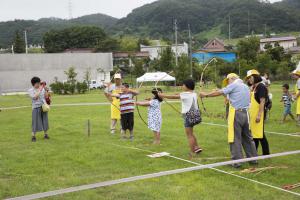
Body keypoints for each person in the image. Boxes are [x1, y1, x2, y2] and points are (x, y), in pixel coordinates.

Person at [200, 73, 257, 168]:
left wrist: (205, 95)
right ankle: (253, 159)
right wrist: (218, 91)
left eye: (228, 81)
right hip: (246, 114)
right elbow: (230, 96)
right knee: (248, 137)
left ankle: (237, 162)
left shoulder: (234, 85)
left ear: (233, 78)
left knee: (235, 138)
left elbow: (221, 93)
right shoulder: (245, 86)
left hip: (236, 114)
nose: (228, 83)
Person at [159, 79, 202, 156]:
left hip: (188, 116)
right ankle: (197, 147)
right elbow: (178, 94)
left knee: (189, 135)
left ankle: (192, 152)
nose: (182, 86)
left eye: (183, 85)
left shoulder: (185, 94)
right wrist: (174, 94)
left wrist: (162, 95)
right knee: (191, 133)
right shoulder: (193, 93)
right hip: (194, 115)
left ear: (187, 86)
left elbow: (173, 97)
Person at [246, 70, 270, 155]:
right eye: (248, 78)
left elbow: (262, 101)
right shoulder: (254, 87)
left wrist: (259, 115)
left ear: (255, 77)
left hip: (258, 113)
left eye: (250, 77)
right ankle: (254, 153)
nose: (249, 79)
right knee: (255, 134)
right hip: (253, 114)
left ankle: (265, 154)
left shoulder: (261, 87)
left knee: (260, 135)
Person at [28, 77, 50, 142]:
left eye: (39, 83)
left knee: (45, 121)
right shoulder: (30, 90)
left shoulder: (42, 88)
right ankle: (33, 136)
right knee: (35, 122)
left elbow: (46, 97)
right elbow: (35, 97)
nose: (39, 84)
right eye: (38, 83)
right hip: (36, 107)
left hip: (43, 107)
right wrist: (40, 90)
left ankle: (46, 134)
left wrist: (46, 90)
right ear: (34, 84)